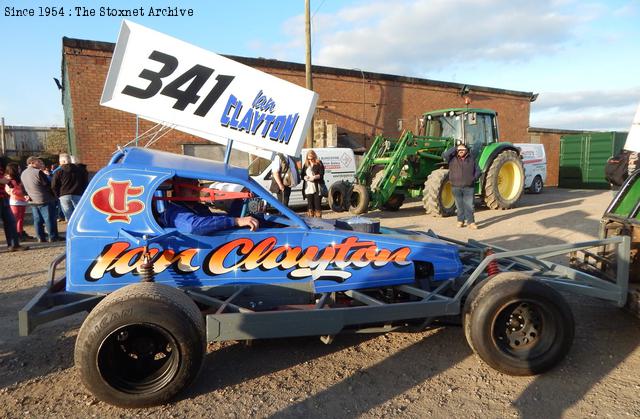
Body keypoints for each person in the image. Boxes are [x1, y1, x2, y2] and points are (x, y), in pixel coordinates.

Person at [159, 178, 259, 234]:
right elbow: (193, 226)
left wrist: (239, 201)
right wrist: (236, 221)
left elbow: (214, 219)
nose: (195, 188)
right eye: (189, 185)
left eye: (196, 184)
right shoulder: (174, 211)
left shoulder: (198, 207)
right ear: (177, 189)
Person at [21, 156, 62, 243]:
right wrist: (54, 195)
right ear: (31, 163)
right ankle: (53, 237)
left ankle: (40, 237)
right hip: (44, 198)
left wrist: (26, 195)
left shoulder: (23, 173)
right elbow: (47, 185)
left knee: (37, 220)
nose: (40, 163)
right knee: (49, 219)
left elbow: (23, 187)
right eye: (38, 162)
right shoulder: (38, 172)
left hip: (32, 200)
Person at [443, 141, 481, 229]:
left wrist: (473, 179)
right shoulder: (452, 158)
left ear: (466, 150)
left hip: (469, 187)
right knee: (459, 205)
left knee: (469, 205)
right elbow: (445, 155)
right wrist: (456, 147)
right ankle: (460, 221)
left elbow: (478, 171)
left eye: (463, 149)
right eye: (459, 150)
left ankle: (471, 222)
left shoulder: (471, 159)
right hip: (456, 186)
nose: (461, 151)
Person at [51, 153, 89, 221]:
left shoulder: (58, 172)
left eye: (60, 162)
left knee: (69, 216)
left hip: (64, 195)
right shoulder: (80, 170)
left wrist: (58, 195)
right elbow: (85, 182)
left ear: (63, 161)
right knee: (80, 214)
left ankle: (71, 229)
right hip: (78, 194)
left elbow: (54, 185)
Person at [0, 163, 28, 251]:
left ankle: (14, 245)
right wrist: (7, 179)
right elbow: (3, 180)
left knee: (11, 222)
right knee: (11, 221)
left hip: (3, 198)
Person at [4, 163, 33, 241]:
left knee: (21, 219)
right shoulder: (9, 180)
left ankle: (20, 233)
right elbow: (11, 191)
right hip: (15, 202)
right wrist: (24, 194)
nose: (20, 169)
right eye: (18, 168)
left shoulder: (19, 179)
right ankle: (17, 234)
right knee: (16, 219)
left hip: (22, 201)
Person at [301, 150, 326, 218]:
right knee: (310, 205)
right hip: (308, 187)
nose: (310, 160)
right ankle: (311, 220)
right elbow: (302, 174)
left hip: (317, 187)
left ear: (314, 157)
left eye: (311, 159)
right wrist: (305, 177)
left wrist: (314, 177)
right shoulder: (306, 164)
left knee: (317, 205)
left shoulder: (319, 163)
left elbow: (321, 174)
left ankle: (318, 220)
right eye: (308, 159)